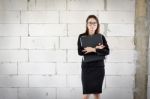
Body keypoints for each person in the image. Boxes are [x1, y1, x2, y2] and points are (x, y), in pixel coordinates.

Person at [77, 15, 110, 99]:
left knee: (97, 94)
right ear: (87, 24)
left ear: (97, 25)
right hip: (87, 68)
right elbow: (80, 52)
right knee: (86, 94)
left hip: (98, 68)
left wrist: (93, 49)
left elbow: (106, 51)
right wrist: (98, 50)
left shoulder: (101, 37)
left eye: (94, 23)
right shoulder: (81, 37)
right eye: (90, 23)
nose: (92, 25)